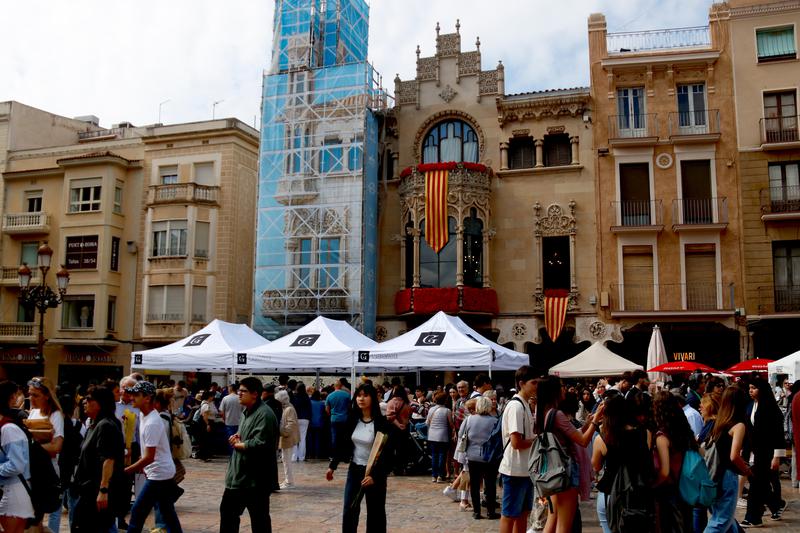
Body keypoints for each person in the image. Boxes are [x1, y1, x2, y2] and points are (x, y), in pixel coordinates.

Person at [536, 376, 603, 533]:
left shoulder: (544, 412)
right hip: (565, 471)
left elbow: (571, 435)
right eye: (561, 386)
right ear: (554, 391)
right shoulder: (557, 414)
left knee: (552, 522)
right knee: (564, 525)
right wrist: (596, 421)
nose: (564, 389)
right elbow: (583, 441)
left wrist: (587, 425)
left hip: (552, 471)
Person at [326, 384, 394, 533]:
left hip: (374, 474)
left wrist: (375, 476)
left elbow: (388, 455)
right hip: (355, 470)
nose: (361, 399)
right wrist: (332, 466)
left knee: (375, 512)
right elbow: (342, 444)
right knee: (350, 508)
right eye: (358, 395)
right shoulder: (352, 420)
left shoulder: (382, 423)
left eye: (365, 395)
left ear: (372, 398)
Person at [219, 376, 278, 533]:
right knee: (228, 514)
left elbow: (261, 443)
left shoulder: (264, 414)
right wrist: (237, 437)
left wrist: (240, 444)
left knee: (259, 519)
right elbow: (245, 434)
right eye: (239, 390)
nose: (239, 394)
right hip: (240, 476)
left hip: (255, 479)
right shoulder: (247, 411)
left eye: (243, 391)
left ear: (255, 394)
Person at [123, 381, 182, 533]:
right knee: (167, 512)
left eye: (136, 395)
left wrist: (127, 470)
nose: (132, 397)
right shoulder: (144, 415)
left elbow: (149, 457)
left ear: (147, 398)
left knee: (138, 511)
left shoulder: (152, 422)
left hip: (159, 473)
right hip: (159, 471)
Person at [591, 393, 654, 533]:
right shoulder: (645, 433)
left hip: (610, 492)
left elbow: (595, 466)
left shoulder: (602, 438)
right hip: (639, 493)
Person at [71, 384, 126, 533]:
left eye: (89, 399)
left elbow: (109, 459)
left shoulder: (106, 426)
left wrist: (103, 490)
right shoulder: (94, 425)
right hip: (87, 491)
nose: (84, 402)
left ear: (100, 403)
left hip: (96, 493)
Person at [703, 386, 752, 533]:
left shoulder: (719, 423)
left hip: (713, 474)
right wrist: (746, 470)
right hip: (727, 476)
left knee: (726, 520)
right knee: (721, 521)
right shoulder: (739, 425)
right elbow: (734, 456)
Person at [742, 377, 787, 527]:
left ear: (762, 390)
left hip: (767, 452)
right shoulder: (750, 406)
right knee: (758, 483)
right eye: (749, 388)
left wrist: (777, 456)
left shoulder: (771, 407)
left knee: (756, 485)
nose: (751, 391)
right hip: (754, 452)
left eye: (754, 388)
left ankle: (753, 517)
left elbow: (778, 433)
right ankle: (776, 504)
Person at [499, 365, 537, 533]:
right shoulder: (516, 406)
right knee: (509, 515)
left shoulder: (525, 404)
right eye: (533, 383)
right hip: (514, 470)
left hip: (524, 469)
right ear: (522, 383)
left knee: (522, 513)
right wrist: (537, 440)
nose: (536, 386)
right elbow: (516, 442)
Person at [652, 391, 696, 533]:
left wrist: (653, 485)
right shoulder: (685, 431)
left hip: (669, 490)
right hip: (687, 488)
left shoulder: (662, 436)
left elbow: (665, 471)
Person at [25, 376, 65, 533]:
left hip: (46, 470)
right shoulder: (33, 412)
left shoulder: (55, 415)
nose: (31, 398)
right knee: (32, 517)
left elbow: (56, 446)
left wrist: (33, 448)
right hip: (32, 469)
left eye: (36, 395)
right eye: (30, 394)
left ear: (47, 395)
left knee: (36, 517)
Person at [0, 381, 32, 533]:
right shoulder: (7, 427)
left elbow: (16, 465)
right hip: (13, 491)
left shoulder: (8, 429)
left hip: (14, 491)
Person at [464, 396, 499, 520]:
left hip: (472, 455)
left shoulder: (469, 419)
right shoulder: (494, 421)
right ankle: (491, 511)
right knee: (490, 484)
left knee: (474, 484)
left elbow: (462, 435)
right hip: (489, 456)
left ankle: (476, 511)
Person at [426, 391, 452, 483]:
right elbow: (450, 423)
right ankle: (441, 476)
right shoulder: (447, 411)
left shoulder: (431, 409)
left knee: (434, 455)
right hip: (443, 435)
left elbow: (427, 422)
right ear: (445, 400)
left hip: (432, 435)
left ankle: (434, 476)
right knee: (442, 455)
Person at [275, 390, 299, 488]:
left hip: (288, 438)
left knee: (287, 460)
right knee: (285, 459)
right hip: (286, 437)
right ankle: (287, 480)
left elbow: (291, 423)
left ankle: (289, 482)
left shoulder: (289, 409)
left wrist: (284, 432)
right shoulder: (286, 408)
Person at [326, 378, 351, 457]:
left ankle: (334, 455)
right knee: (344, 437)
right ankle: (344, 455)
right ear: (341, 386)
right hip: (345, 418)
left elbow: (327, 409)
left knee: (334, 437)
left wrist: (331, 415)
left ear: (334, 386)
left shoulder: (329, 396)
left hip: (334, 418)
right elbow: (350, 407)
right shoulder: (347, 395)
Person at [199, 390, 222, 461]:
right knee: (205, 439)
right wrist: (208, 424)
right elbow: (204, 416)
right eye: (212, 396)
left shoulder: (211, 403)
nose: (213, 397)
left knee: (209, 439)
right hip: (206, 422)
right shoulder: (205, 405)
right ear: (209, 397)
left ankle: (208, 454)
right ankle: (204, 456)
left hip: (211, 421)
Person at [291, 383, 312, 462]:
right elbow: (309, 409)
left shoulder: (294, 397)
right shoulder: (306, 397)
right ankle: (301, 457)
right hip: (305, 419)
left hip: (295, 418)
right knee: (303, 438)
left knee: (294, 437)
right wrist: (309, 418)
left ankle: (294, 456)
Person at [219, 382, 243, 446]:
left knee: (231, 441)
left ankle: (232, 452)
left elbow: (222, 412)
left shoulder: (225, 398)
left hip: (229, 422)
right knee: (239, 440)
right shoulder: (240, 398)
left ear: (230, 389)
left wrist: (224, 420)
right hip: (239, 422)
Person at [308, 389, 326, 460]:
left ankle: (310, 453)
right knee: (317, 439)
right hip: (319, 423)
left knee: (310, 439)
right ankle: (317, 454)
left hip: (311, 423)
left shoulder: (310, 402)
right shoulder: (322, 403)